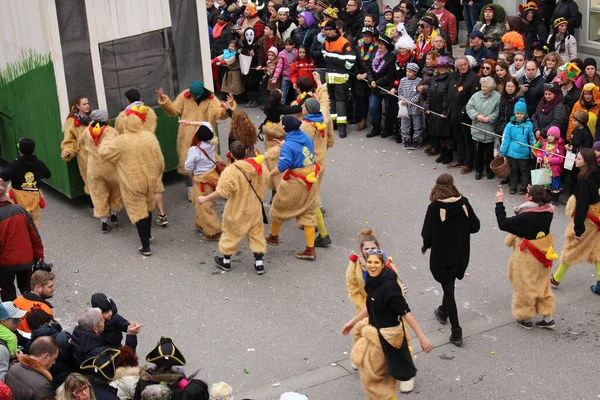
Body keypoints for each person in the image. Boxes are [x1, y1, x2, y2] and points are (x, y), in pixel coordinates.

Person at [342, 250, 432, 396]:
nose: (372, 265)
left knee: (377, 383)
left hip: (389, 337)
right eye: (369, 262)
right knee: (376, 382)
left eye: (376, 262)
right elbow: (371, 306)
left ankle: (405, 377)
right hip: (375, 334)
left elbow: (405, 313)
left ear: (383, 264)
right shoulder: (372, 281)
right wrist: (351, 323)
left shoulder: (390, 288)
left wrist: (422, 337)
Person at [421, 173, 480, 346]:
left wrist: (426, 245)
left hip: (443, 257)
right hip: (461, 254)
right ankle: (443, 311)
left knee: (449, 291)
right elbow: (475, 226)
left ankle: (456, 332)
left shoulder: (434, 208)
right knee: (449, 286)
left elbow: (427, 233)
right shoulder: (464, 203)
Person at [98, 105, 165, 256]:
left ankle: (146, 246)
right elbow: (160, 161)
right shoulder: (149, 137)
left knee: (138, 211)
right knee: (148, 206)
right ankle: (148, 235)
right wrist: (156, 175)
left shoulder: (121, 141)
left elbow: (103, 153)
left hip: (132, 182)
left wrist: (109, 138)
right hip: (150, 179)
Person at [197, 142, 267, 275]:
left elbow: (221, 192)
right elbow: (267, 179)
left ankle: (226, 261)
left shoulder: (230, 171)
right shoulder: (257, 165)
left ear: (232, 155)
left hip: (237, 208)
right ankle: (259, 263)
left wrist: (204, 199)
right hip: (255, 207)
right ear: (246, 152)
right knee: (256, 234)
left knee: (231, 234)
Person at [156, 80, 232, 201]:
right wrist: (164, 100)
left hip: (205, 135)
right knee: (187, 163)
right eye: (191, 94)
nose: (192, 97)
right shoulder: (185, 97)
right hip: (186, 137)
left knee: (211, 161)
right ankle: (191, 188)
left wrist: (228, 107)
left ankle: (221, 187)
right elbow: (174, 110)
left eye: (195, 95)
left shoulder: (211, 100)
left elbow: (219, 115)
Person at [495, 185, 557, 329]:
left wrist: (499, 202)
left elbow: (503, 223)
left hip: (528, 254)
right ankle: (547, 317)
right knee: (542, 283)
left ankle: (525, 317)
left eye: (528, 193)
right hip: (544, 249)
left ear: (531, 198)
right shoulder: (548, 211)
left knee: (524, 285)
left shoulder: (526, 216)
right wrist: (534, 192)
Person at [265, 116, 320, 259]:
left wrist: (270, 174)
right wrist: (285, 144)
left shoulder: (289, 145)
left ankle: (273, 236)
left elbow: (283, 166)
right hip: (311, 179)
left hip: (296, 181)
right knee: (308, 212)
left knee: (279, 207)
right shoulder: (306, 137)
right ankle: (310, 249)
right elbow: (300, 150)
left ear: (285, 128)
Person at [551, 149, 600, 294]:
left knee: (572, 248)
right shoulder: (597, 173)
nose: (575, 159)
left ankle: (556, 278)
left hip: (588, 220)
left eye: (578, 158)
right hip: (597, 218)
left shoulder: (584, 181)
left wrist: (578, 229)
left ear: (586, 162)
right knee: (597, 249)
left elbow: (582, 207)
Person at [0, 184, 44, 302]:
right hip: (26, 260)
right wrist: (39, 255)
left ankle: (13, 318)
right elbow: (35, 236)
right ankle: (31, 314)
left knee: (8, 294)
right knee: (28, 291)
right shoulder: (20, 210)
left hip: (5, 264)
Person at [83, 110, 123, 234]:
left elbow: (81, 143)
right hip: (110, 168)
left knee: (99, 194)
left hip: (94, 169)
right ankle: (114, 214)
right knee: (116, 191)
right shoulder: (111, 132)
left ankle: (104, 222)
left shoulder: (86, 132)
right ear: (106, 120)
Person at [182, 123, 222, 241]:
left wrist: (191, 175)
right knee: (202, 204)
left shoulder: (195, 150)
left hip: (202, 181)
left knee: (205, 206)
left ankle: (214, 232)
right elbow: (207, 124)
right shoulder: (212, 144)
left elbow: (188, 166)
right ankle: (200, 223)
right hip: (212, 177)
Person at [0, 138, 50, 228]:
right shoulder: (39, 164)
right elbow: (47, 174)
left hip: (17, 198)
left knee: (18, 222)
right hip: (34, 198)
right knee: (33, 222)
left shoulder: (15, 164)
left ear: (20, 150)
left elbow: (2, 177)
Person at [70, 308, 141, 367]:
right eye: (102, 320)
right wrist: (131, 335)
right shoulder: (101, 353)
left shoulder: (76, 336)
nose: (104, 320)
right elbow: (126, 363)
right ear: (95, 329)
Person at [322, 20, 355, 138]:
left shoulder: (344, 42)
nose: (327, 32)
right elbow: (324, 54)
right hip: (330, 76)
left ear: (335, 30)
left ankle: (342, 128)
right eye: (326, 30)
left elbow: (351, 59)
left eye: (329, 29)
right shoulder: (326, 41)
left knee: (340, 102)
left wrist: (345, 70)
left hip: (341, 77)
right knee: (332, 101)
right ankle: (333, 124)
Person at [446, 56, 480, 173]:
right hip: (453, 111)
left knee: (468, 139)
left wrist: (464, 110)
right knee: (458, 137)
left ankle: (468, 163)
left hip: (465, 113)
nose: (463, 67)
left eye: (464, 64)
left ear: (468, 64)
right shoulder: (453, 76)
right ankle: (460, 159)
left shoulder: (473, 78)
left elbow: (473, 97)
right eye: (460, 65)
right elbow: (449, 92)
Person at [23, 309, 72, 389]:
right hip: (66, 379)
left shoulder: (29, 345)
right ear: (46, 323)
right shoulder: (61, 337)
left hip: (46, 382)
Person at [466, 76, 501, 180]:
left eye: (486, 86)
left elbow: (498, 111)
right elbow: (469, 107)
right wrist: (477, 116)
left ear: (491, 87)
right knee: (478, 153)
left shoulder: (497, 97)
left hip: (490, 129)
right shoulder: (475, 96)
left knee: (490, 154)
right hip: (477, 129)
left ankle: (490, 171)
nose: (483, 88)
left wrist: (489, 118)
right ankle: (479, 171)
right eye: (482, 86)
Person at [500, 98, 535, 195]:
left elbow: (532, 140)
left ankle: (524, 187)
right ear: (515, 113)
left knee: (524, 171)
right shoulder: (510, 125)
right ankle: (513, 186)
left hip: (524, 153)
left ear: (525, 114)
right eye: (518, 113)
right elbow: (505, 139)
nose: (519, 115)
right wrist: (503, 151)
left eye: (521, 113)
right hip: (511, 153)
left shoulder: (529, 125)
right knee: (513, 170)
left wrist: (533, 151)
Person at [60, 96, 92, 197]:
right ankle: (95, 205)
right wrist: (68, 151)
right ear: (78, 106)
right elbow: (69, 139)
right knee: (90, 179)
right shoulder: (73, 121)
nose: (87, 106)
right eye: (84, 104)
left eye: (88, 103)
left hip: (96, 153)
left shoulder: (92, 117)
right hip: (84, 155)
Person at [366, 35, 396, 138]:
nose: (379, 46)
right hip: (374, 86)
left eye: (382, 44)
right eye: (379, 44)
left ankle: (388, 129)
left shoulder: (391, 57)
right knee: (373, 107)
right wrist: (371, 80)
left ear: (387, 46)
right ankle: (375, 128)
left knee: (388, 108)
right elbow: (369, 68)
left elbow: (389, 75)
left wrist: (377, 82)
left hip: (386, 86)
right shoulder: (375, 53)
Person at [425, 56, 453, 164]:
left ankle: (449, 154)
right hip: (434, 108)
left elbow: (449, 97)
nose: (440, 69)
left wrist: (446, 111)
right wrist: (427, 106)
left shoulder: (450, 79)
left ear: (447, 68)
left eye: (443, 67)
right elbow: (429, 94)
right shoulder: (433, 79)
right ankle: (443, 152)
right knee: (439, 133)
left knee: (447, 134)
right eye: (439, 67)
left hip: (444, 110)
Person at [352, 27, 377, 132]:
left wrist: (367, 74)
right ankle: (363, 120)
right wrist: (357, 73)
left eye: (368, 36)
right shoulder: (358, 47)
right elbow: (355, 61)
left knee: (373, 102)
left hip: (372, 76)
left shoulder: (375, 48)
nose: (366, 38)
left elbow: (375, 63)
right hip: (360, 77)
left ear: (372, 37)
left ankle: (375, 122)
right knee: (361, 99)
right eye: (364, 36)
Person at [536, 126, 565, 204]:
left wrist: (550, 160)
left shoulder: (559, 146)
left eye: (552, 136)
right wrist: (539, 157)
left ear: (556, 136)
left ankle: (555, 199)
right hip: (545, 168)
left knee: (555, 185)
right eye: (549, 135)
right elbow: (540, 152)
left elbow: (560, 159)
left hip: (554, 170)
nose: (550, 137)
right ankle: (546, 197)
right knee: (546, 183)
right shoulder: (544, 144)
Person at [398, 63, 423, 149]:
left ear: (415, 73)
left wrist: (409, 101)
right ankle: (406, 139)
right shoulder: (403, 80)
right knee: (405, 124)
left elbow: (419, 95)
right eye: (407, 71)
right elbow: (400, 92)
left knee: (417, 124)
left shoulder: (419, 81)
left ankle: (417, 140)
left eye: (410, 72)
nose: (407, 73)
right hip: (404, 107)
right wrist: (402, 100)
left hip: (415, 108)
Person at [0, 301, 27, 382]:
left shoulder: (7, 329)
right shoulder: (10, 337)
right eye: (15, 320)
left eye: (19, 319)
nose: (19, 322)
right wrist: (15, 358)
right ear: (3, 321)